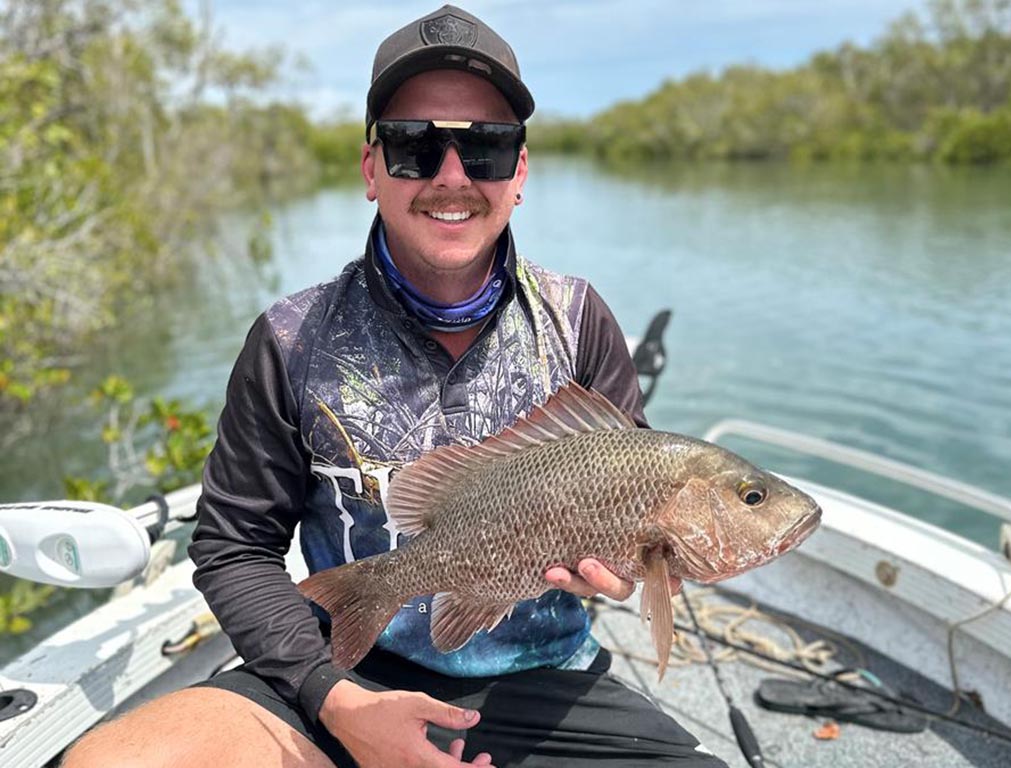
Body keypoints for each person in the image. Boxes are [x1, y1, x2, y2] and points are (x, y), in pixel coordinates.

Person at [64, 6, 726, 767]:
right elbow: (234, 547)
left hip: (544, 676)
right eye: (415, 146)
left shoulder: (579, 319)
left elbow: (645, 512)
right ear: (371, 169)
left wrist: (631, 572)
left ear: (519, 173)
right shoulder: (289, 339)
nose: (452, 176)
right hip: (342, 669)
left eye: (486, 148)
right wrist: (335, 699)